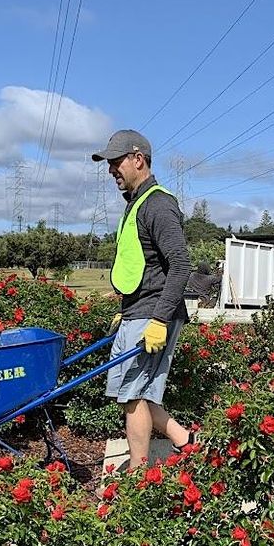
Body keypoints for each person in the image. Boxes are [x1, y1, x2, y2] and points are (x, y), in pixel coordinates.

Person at [93, 129, 194, 469]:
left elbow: (180, 265)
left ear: (138, 159)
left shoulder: (159, 204)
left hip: (153, 314)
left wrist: (158, 319)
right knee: (140, 392)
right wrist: (127, 308)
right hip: (138, 311)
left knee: (132, 395)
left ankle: (138, 475)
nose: (111, 170)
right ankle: (185, 442)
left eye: (116, 162)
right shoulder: (137, 204)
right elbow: (145, 265)